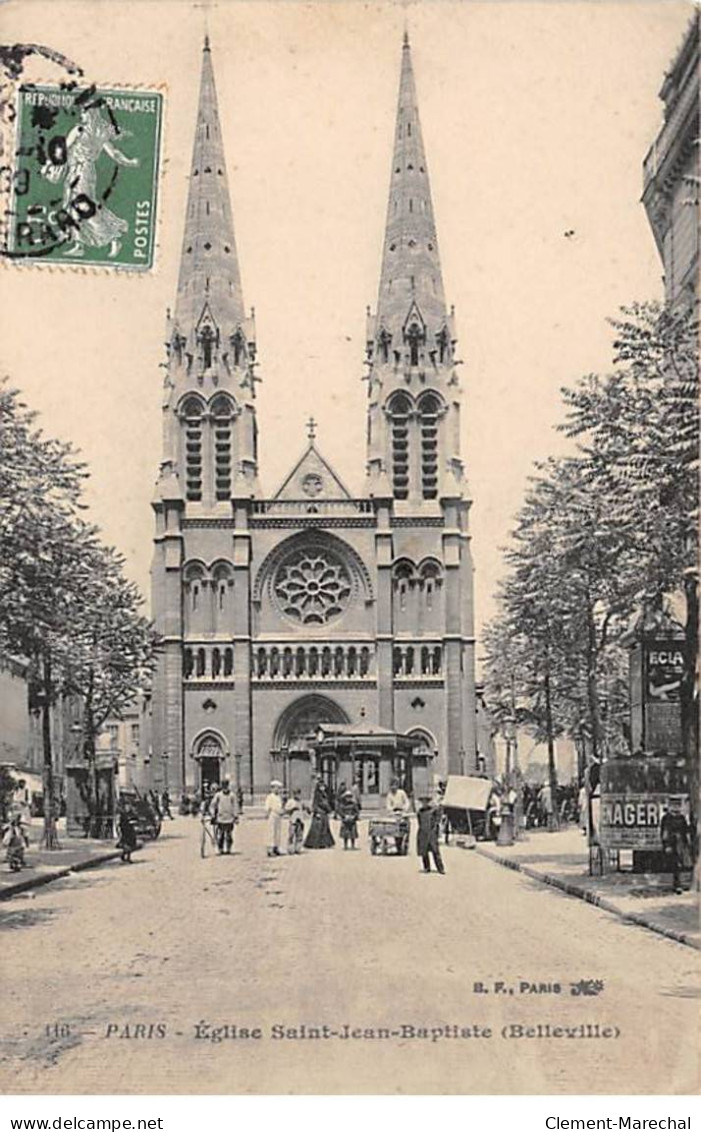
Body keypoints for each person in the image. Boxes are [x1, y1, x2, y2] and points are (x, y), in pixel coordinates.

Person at [660, 797, 692, 895]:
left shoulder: (681, 818)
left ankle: (680, 884)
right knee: (675, 865)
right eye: (674, 805)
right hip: (672, 844)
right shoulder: (666, 818)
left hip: (681, 844)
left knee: (682, 864)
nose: (676, 807)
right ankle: (677, 885)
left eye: (678, 805)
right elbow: (664, 832)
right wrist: (667, 845)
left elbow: (685, 830)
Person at [416, 794, 445, 874]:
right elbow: (419, 822)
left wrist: (436, 830)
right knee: (424, 851)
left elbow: (438, 819)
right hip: (423, 832)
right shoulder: (420, 812)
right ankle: (426, 867)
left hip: (432, 832)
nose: (424, 803)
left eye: (426, 801)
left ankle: (440, 868)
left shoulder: (433, 811)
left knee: (435, 851)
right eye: (423, 802)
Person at [304, 777, 335, 849]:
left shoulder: (324, 794)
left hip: (324, 813)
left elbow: (326, 803)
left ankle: (324, 843)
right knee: (317, 829)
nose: (322, 787)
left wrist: (329, 809)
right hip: (319, 812)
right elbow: (316, 804)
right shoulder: (317, 794)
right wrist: (316, 812)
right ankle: (315, 844)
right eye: (321, 786)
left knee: (325, 829)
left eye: (323, 786)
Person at [210, 780, 239, 855]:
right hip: (221, 818)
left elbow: (235, 806)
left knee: (229, 834)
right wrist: (213, 814)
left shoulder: (232, 795)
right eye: (223, 786)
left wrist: (235, 816)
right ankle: (220, 849)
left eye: (226, 786)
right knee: (221, 834)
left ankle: (228, 848)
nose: (225, 788)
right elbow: (213, 805)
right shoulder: (218, 795)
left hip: (229, 818)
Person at [284, 789, 306, 855]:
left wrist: (306, 808)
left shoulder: (301, 802)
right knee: (291, 835)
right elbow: (286, 810)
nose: (298, 796)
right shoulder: (290, 801)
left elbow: (304, 810)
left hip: (300, 820)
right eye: (296, 794)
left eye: (299, 794)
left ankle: (298, 848)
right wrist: (292, 809)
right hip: (293, 821)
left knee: (299, 835)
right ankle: (290, 849)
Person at [265, 780, 284, 857]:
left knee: (277, 832)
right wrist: (267, 814)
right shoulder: (270, 796)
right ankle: (270, 849)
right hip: (272, 814)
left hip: (278, 815)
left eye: (279, 788)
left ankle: (276, 847)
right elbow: (268, 806)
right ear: (273, 788)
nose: (278, 790)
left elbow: (280, 806)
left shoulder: (279, 797)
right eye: (276, 788)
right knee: (271, 832)